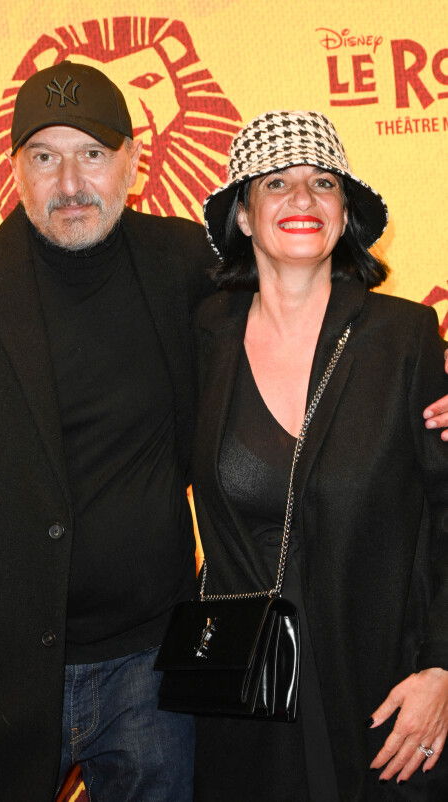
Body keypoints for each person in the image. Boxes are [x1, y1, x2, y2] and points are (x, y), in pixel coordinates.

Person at [0, 61, 216, 801]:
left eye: (92, 154)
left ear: (132, 162)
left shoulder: (187, 264)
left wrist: (411, 371)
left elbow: (303, 289)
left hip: (155, 666)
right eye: (45, 157)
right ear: (14, 172)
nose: (70, 184)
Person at [190, 110, 448, 801]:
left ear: (345, 212)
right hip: (244, 693)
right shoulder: (202, 336)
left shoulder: (405, 337)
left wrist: (442, 669)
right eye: (277, 183)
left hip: (382, 692)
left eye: (323, 183)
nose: (302, 200)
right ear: (243, 216)